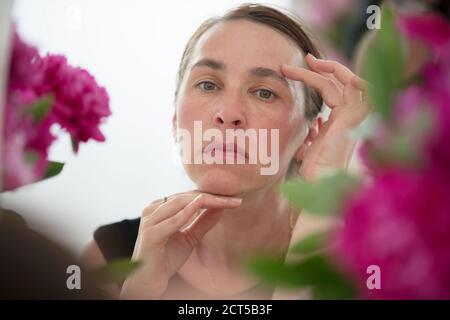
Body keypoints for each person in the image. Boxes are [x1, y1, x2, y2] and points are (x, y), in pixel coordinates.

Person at [82, 3, 370, 299]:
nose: (229, 113)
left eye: (264, 92)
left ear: (309, 137)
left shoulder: (362, 263)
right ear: (175, 121)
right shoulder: (108, 259)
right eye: (207, 85)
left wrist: (324, 184)